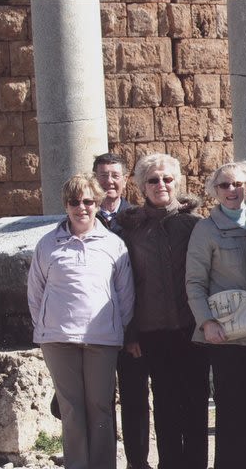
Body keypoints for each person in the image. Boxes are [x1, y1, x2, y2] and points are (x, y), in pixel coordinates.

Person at [27, 173, 135, 469]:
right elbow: (35, 291)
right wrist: (48, 325)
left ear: (98, 204)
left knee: (101, 407)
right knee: (71, 409)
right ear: (66, 205)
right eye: (74, 202)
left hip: (102, 338)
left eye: (88, 201)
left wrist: (116, 327)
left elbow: (125, 295)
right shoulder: (48, 244)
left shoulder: (114, 244)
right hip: (58, 339)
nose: (81, 207)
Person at [117, 153, 210, 469]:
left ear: (177, 182)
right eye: (153, 180)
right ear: (143, 186)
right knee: (166, 406)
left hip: (192, 329)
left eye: (167, 179)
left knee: (196, 405)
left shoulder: (195, 225)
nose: (161, 185)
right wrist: (130, 331)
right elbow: (126, 283)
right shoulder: (130, 229)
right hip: (153, 331)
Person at [185, 161, 246, 469]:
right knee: (230, 408)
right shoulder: (205, 230)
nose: (232, 190)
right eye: (224, 185)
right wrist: (206, 322)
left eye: (237, 184)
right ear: (215, 191)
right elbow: (194, 282)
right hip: (225, 333)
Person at [93, 153, 152, 469]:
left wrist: (135, 330)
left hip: (131, 327)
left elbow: (142, 279)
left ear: (125, 178)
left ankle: (137, 462)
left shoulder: (138, 218)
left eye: (115, 175)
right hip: (97, 327)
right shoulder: (82, 218)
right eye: (103, 175)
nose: (109, 182)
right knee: (100, 401)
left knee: (135, 399)